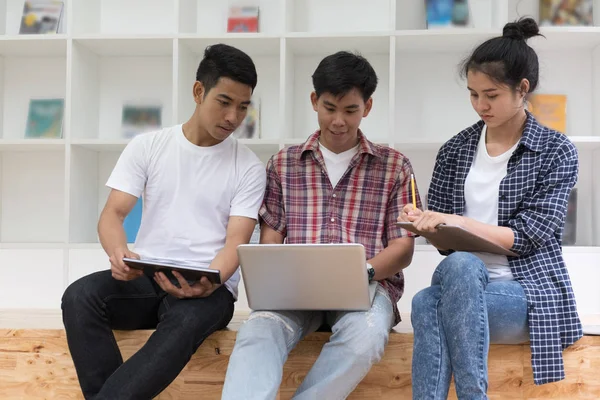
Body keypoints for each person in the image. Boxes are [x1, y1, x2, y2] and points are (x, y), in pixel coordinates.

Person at [61, 43, 266, 400]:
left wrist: (211, 282)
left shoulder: (248, 166)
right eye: (224, 102)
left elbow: (237, 241)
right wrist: (119, 254)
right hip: (149, 275)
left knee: (185, 321)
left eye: (243, 106)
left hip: (208, 290)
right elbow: (113, 213)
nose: (233, 117)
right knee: (79, 297)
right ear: (198, 91)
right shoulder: (149, 146)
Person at [399, 18, 582, 399]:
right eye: (472, 94)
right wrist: (425, 224)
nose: (481, 105)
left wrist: (458, 221)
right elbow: (448, 246)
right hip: (461, 283)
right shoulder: (455, 149)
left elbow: (530, 237)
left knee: (427, 300)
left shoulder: (556, 151)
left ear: (522, 89)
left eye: (492, 94)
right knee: (460, 265)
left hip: (524, 289)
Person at [221, 51, 421, 399]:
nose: (339, 121)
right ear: (314, 101)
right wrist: (277, 277)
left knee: (366, 337)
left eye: (351, 110)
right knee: (257, 332)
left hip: (367, 287)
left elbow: (402, 249)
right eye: (330, 108)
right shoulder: (283, 163)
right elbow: (272, 237)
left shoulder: (395, 166)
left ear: (368, 107)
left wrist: (365, 273)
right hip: (294, 289)